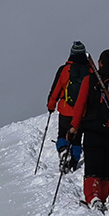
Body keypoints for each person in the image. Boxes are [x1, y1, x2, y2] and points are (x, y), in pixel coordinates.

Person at [67, 48, 109, 208]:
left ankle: (93, 198)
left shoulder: (91, 79)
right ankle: (103, 197)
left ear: (100, 63)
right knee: (107, 167)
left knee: (93, 166)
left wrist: (74, 127)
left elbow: (80, 105)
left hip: (93, 129)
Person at [46, 41, 90, 172]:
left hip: (66, 110)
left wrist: (51, 105)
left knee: (62, 134)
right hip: (82, 112)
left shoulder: (64, 70)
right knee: (77, 139)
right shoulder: (90, 70)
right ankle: (74, 161)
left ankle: (64, 150)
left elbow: (56, 89)